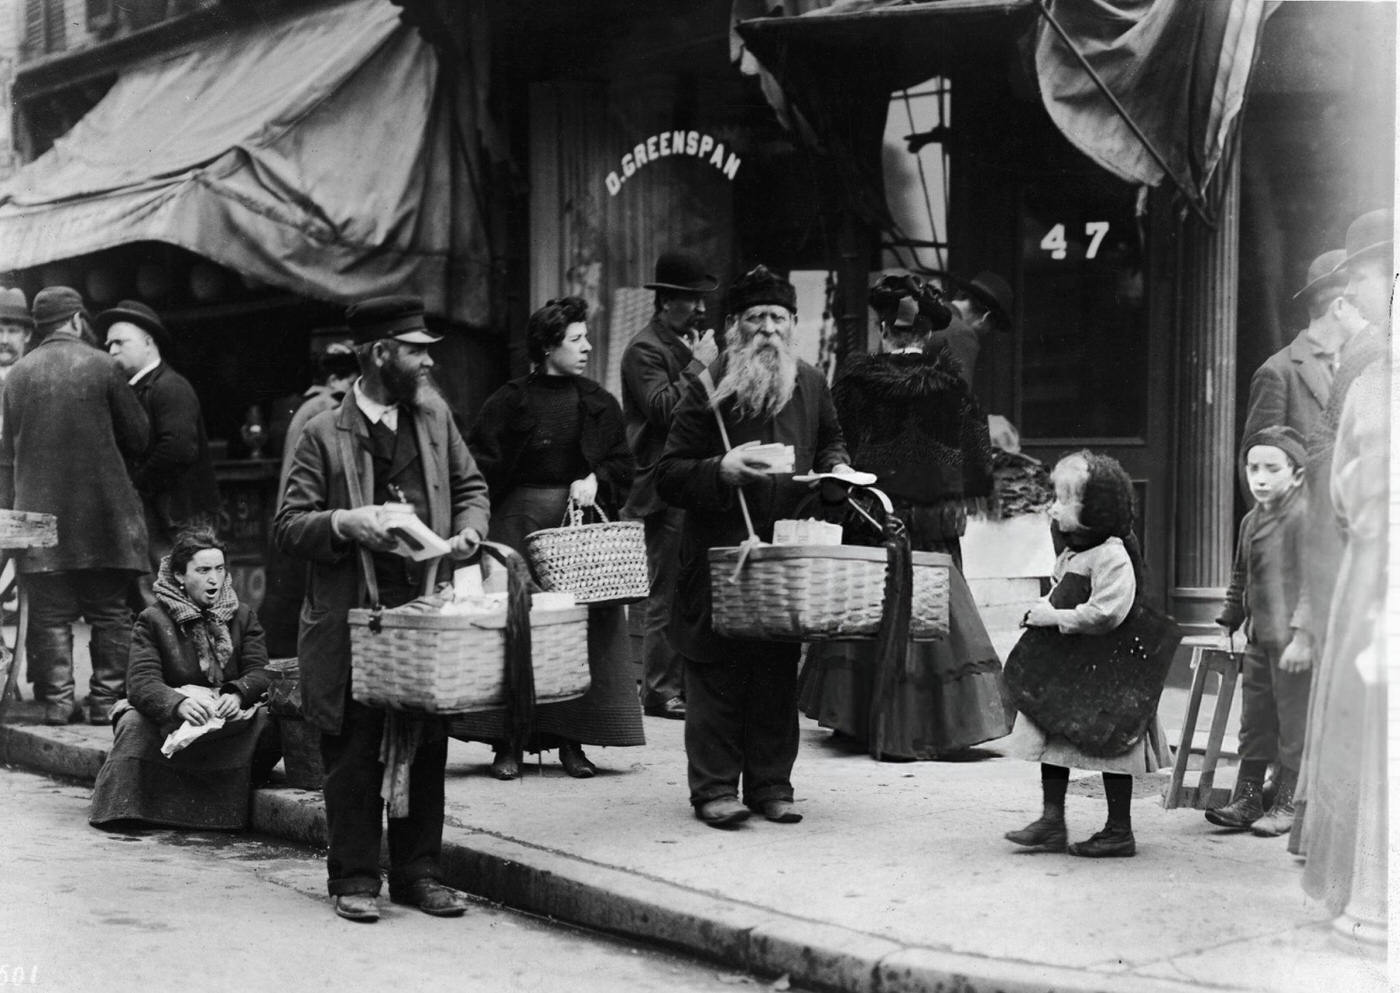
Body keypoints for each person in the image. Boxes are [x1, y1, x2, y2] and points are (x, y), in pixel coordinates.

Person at [274, 294, 490, 923]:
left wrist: (470, 531)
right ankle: (355, 878)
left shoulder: (433, 417)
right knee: (354, 752)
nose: (426, 364)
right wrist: (347, 521)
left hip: (423, 608)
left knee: (426, 747)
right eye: (414, 351)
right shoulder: (319, 431)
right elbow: (289, 526)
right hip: (350, 619)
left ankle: (421, 874)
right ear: (378, 354)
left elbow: (472, 487)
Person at [654, 264, 852, 828]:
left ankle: (771, 785)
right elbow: (668, 472)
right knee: (715, 675)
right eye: (756, 318)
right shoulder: (705, 385)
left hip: (784, 555)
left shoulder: (811, 382)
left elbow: (831, 438)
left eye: (778, 318)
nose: (768, 328)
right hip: (720, 556)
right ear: (735, 325)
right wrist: (721, 469)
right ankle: (715, 788)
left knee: (773, 671)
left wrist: (836, 469)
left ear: (793, 324)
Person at [798, 277, 1011, 760]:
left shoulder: (852, 383)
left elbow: (831, 446)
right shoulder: (952, 388)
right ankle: (933, 722)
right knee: (933, 613)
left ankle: (855, 718)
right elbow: (975, 464)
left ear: (881, 328)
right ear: (926, 335)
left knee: (862, 609)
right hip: (928, 530)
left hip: (871, 521)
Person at [449, 296, 643, 779]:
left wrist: (597, 477)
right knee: (515, 630)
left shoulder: (598, 402)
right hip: (517, 527)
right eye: (576, 339)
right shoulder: (508, 401)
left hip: (576, 536)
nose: (587, 347)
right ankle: (508, 743)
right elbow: (478, 467)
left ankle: (571, 741)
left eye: (585, 337)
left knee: (580, 634)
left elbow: (624, 463)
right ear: (548, 346)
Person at [1001, 451, 1168, 858]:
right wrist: (1042, 608)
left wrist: (1053, 616)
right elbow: (1061, 592)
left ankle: (1119, 829)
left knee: (1113, 748)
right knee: (1053, 735)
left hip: (1106, 670)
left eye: (1064, 500)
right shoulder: (1073, 552)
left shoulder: (1112, 555)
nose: (1054, 508)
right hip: (1071, 666)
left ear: (1096, 510)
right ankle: (1052, 818)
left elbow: (1107, 613)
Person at [1297, 209, 1390, 930]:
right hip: (1365, 561)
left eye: (1366, 274)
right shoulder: (1371, 370)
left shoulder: (1376, 368)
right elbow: (1335, 476)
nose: (1355, 291)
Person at [0, 287, 149, 725]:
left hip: (40, 520)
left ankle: (59, 703)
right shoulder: (104, 366)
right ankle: (105, 702)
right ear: (77, 320)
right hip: (105, 518)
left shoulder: (18, 376)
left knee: (49, 614)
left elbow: (6, 458)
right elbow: (138, 438)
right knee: (109, 611)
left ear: (38, 327)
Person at [88, 525, 277, 830]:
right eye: (202, 570)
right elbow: (141, 682)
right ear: (179, 576)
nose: (214, 579)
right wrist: (177, 704)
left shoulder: (242, 616)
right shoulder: (154, 619)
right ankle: (143, 805)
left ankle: (220, 798)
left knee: (272, 721)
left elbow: (260, 671)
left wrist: (238, 693)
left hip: (226, 724)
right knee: (132, 722)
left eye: (219, 569)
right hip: (176, 723)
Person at [620, 251, 721, 720]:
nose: (701, 309)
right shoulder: (644, 349)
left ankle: (675, 682)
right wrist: (699, 366)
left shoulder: (685, 342)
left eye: (703, 300)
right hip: (660, 490)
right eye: (693, 300)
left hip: (691, 482)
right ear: (666, 302)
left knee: (690, 589)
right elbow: (663, 409)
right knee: (664, 594)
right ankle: (658, 689)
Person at [1206, 426, 1310, 835]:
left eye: (1272, 468)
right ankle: (1248, 797)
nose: (1260, 478)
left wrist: (1303, 636)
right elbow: (1239, 575)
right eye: (1253, 468)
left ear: (1297, 474)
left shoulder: (1304, 520)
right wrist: (1229, 622)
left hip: (1295, 645)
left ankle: (1287, 803)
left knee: (1292, 721)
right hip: (1258, 639)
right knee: (1255, 719)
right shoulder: (1251, 520)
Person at [98, 300, 220, 610]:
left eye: (119, 342)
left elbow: (178, 450)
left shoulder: (170, 387)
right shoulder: (139, 388)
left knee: (183, 602)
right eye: (108, 343)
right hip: (162, 516)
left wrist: (134, 486)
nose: (111, 350)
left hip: (177, 519)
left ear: (149, 342)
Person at [261, 341, 359, 657]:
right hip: (305, 523)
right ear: (334, 381)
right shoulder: (325, 408)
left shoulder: (304, 405)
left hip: (290, 521)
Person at [1240, 250, 1365, 450]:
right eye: (1359, 305)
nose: (1366, 314)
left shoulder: (1361, 367)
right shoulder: (1278, 373)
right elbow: (1256, 464)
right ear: (1339, 307)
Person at [0, 288, 34, 432]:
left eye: (13, 331)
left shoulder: (36, 378)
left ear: (27, 335)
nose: (4, 340)